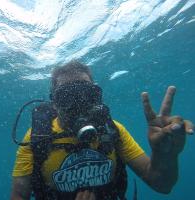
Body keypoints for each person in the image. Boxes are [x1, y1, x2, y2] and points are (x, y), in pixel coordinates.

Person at [10, 61, 194, 200]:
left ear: (97, 96)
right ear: (55, 103)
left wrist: (165, 155)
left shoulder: (113, 130)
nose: (79, 105)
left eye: (87, 95)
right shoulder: (38, 137)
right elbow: (18, 195)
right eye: (66, 96)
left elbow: (162, 184)